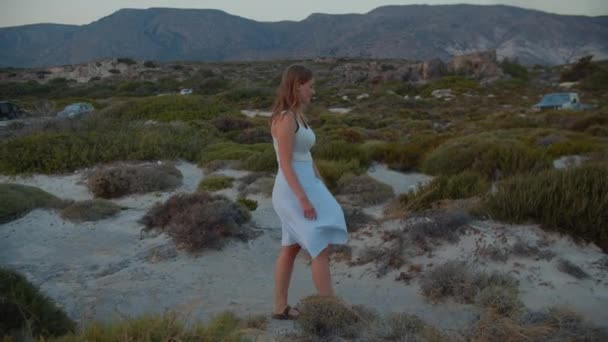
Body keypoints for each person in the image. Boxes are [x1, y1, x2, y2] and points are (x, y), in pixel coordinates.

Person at [269, 64, 348, 320]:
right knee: (320, 248)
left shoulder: (299, 116)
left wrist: (320, 186)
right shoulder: (285, 118)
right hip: (292, 192)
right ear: (297, 85)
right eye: (310, 86)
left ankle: (280, 308)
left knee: (290, 249)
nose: (313, 91)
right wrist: (303, 198)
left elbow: (306, 155)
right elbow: (285, 162)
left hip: (307, 186)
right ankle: (330, 308)